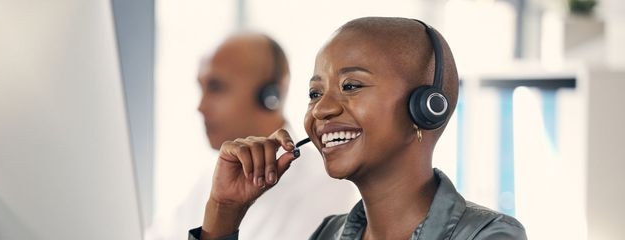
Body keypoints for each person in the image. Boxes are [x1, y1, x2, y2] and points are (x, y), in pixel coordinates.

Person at [189, 17, 527, 239]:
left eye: (351, 86)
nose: (321, 108)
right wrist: (224, 212)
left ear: (426, 108)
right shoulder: (329, 233)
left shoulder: (488, 235)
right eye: (314, 92)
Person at [147, 32, 357, 239]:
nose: (200, 107)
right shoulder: (208, 181)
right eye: (201, 88)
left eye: (216, 87)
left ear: (270, 96)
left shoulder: (325, 185)